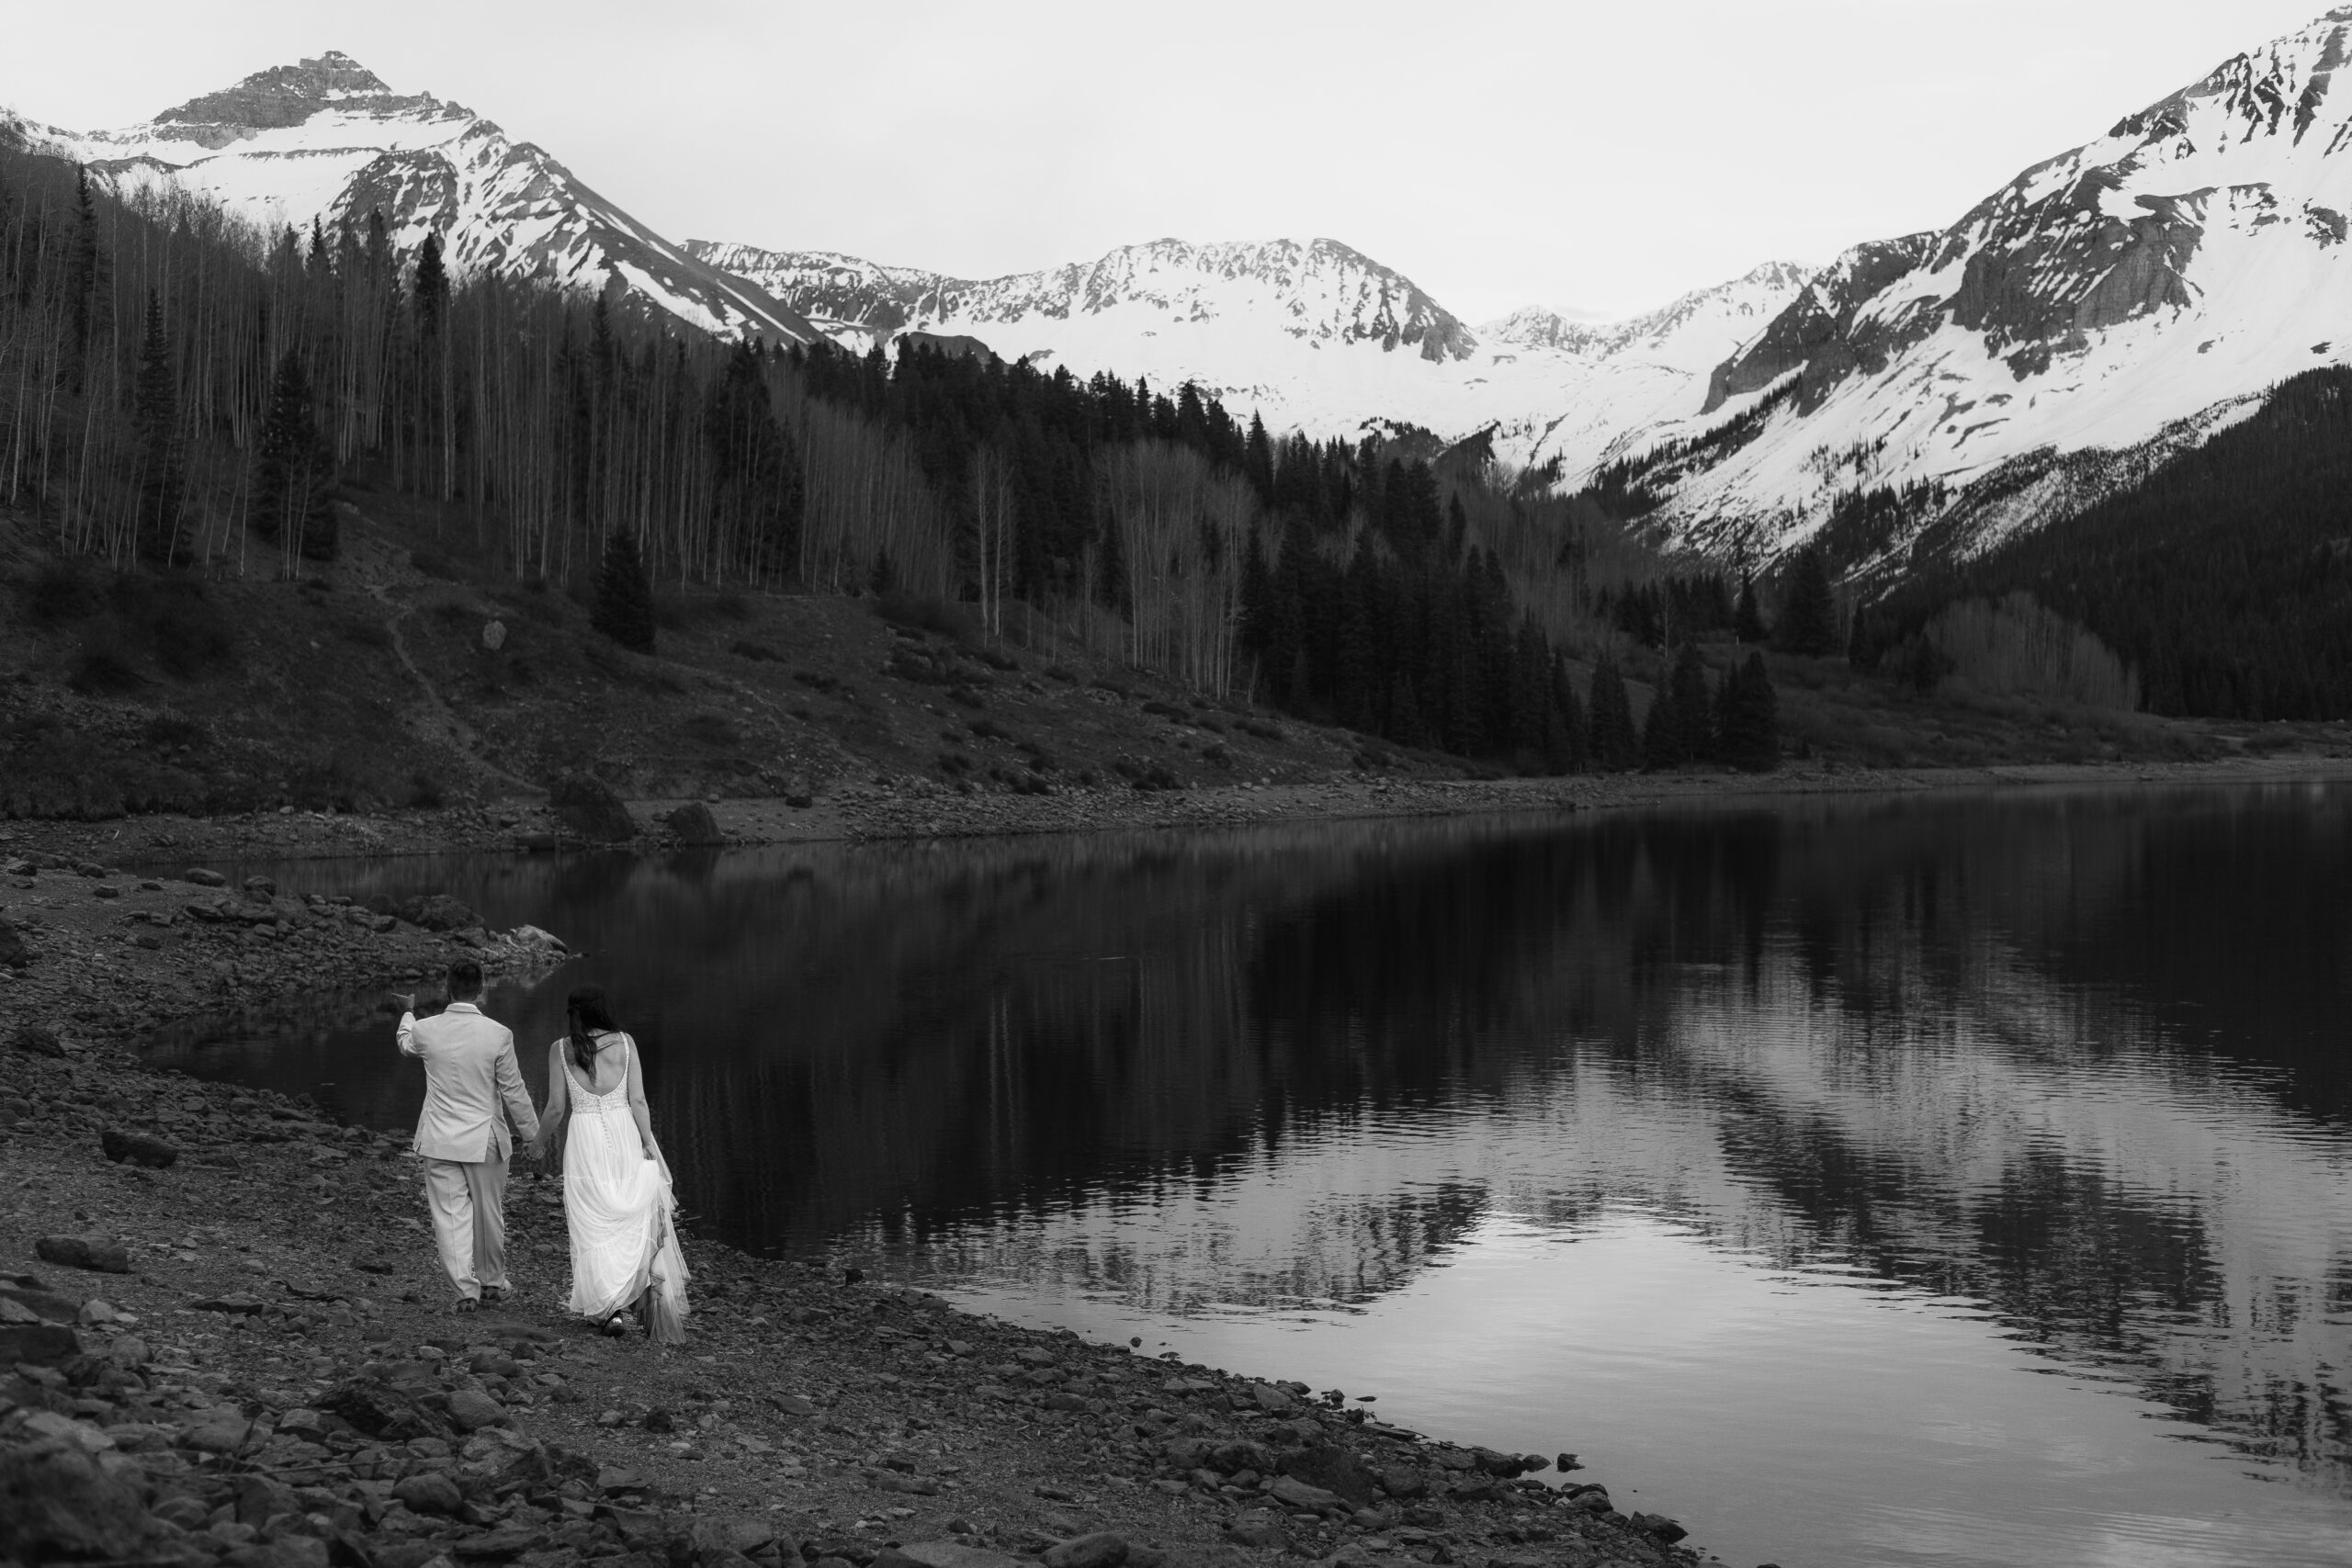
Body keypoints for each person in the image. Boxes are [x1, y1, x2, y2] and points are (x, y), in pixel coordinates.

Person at [531, 986, 689, 1342]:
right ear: (602, 1011)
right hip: (622, 1133)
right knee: (627, 1218)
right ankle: (631, 1297)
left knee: (592, 1222)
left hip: (585, 1137)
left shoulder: (560, 1050)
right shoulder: (626, 1043)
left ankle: (609, 1309)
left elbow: (556, 1109)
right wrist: (648, 1143)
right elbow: (638, 1102)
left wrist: (537, 1145)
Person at [391, 959, 538, 1314]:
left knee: (450, 1215)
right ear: (482, 988)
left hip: (440, 1137)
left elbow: (404, 1043)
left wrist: (409, 1012)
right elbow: (513, 1090)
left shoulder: (426, 1030)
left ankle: (465, 1291)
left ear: (447, 987)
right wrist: (533, 1134)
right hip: (483, 1138)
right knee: (489, 1213)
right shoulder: (498, 1034)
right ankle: (491, 1283)